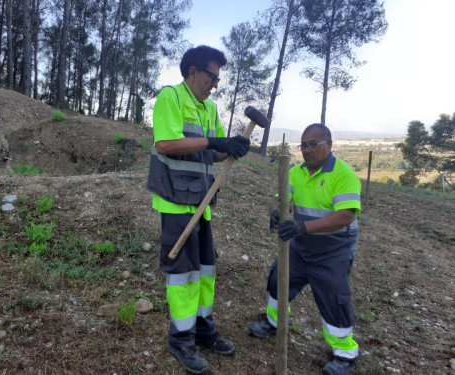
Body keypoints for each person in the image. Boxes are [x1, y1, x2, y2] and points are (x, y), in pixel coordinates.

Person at [147, 45, 250, 374]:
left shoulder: (209, 109)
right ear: (193, 71)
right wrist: (213, 143)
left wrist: (232, 146)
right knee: (184, 276)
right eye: (212, 76)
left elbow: (215, 153)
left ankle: (204, 330)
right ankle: (181, 339)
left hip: (202, 203)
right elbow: (166, 144)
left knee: (205, 271)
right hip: (176, 203)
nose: (216, 84)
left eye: (219, 78)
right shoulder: (171, 98)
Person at [249, 123, 361, 375]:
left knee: (335, 298)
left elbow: (344, 216)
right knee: (278, 279)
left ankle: (345, 353)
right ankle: (274, 322)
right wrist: (275, 211)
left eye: (314, 144)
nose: (307, 150)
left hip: (333, 251)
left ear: (329, 145)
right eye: (304, 145)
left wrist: (303, 228)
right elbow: (277, 198)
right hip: (300, 248)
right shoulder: (296, 172)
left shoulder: (343, 174)